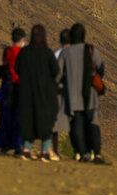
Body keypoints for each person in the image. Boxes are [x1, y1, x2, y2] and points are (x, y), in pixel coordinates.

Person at [59, 23, 105, 163]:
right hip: (90, 95)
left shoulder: (66, 53)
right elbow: (101, 69)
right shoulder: (92, 50)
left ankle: (82, 153)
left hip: (73, 96)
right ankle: (96, 154)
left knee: (77, 125)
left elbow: (58, 73)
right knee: (93, 124)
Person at [14, 24, 59, 161]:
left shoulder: (25, 52)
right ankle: (45, 152)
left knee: (28, 121)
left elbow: (17, 68)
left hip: (26, 93)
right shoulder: (48, 53)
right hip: (44, 94)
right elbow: (55, 71)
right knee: (45, 122)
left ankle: (26, 150)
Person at [0, 27, 26, 154]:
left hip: (6, 87)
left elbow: (3, 69)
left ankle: (4, 145)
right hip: (18, 87)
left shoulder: (7, 51)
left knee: (5, 118)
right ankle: (18, 146)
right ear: (22, 39)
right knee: (17, 118)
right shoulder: (23, 53)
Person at [52, 28, 71, 158]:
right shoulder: (76, 55)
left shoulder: (56, 54)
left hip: (58, 91)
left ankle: (54, 150)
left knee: (55, 124)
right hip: (73, 92)